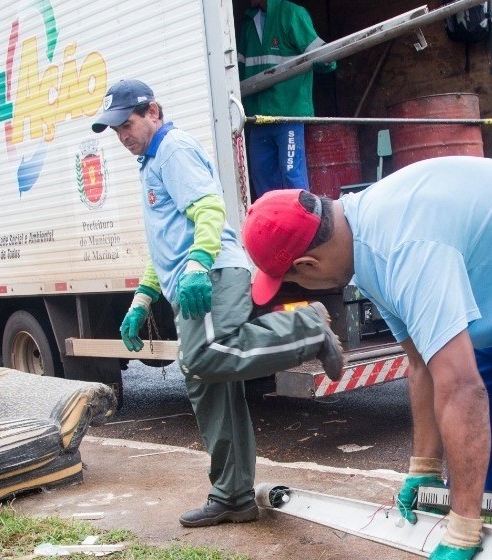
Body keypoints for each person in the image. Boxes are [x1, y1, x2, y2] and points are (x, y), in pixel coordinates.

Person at [91, 78, 344, 528]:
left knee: (206, 357)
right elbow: (164, 243)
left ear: (154, 111)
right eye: (116, 130)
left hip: (211, 274)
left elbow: (208, 210)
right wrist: (142, 298)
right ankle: (233, 497)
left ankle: (307, 328)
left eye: (127, 124)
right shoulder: (150, 162)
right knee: (207, 384)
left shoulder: (173, 149)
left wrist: (197, 264)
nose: (122, 135)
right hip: (192, 276)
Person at [241, 155, 492, 560]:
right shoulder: (362, 240)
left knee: (468, 400)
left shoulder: (403, 249)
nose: (298, 285)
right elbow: (421, 363)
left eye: (292, 279)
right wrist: (424, 469)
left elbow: (461, 387)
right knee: (479, 475)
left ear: (308, 264)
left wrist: (461, 530)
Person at [237, 0, 336, 198]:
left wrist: (326, 60)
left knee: (292, 175)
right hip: (258, 118)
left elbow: (327, 59)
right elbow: (236, 72)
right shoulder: (248, 23)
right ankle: (274, 226)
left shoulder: (292, 14)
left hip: (287, 115)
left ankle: (303, 224)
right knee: (262, 180)